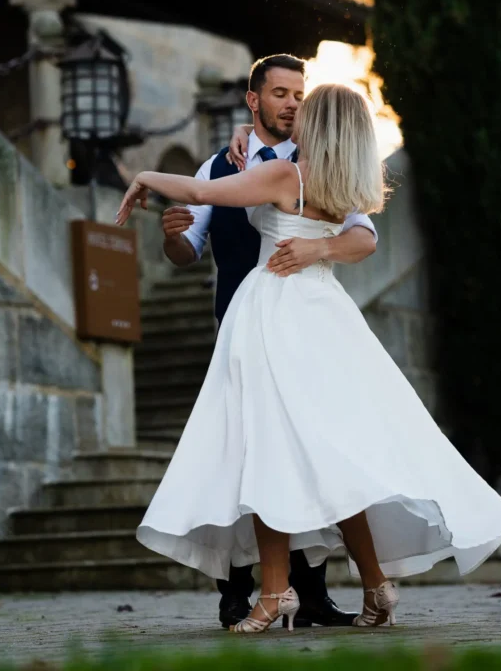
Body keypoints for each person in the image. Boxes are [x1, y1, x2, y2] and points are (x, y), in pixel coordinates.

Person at [117, 82, 501, 634]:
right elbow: (360, 237)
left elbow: (200, 189)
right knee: (328, 458)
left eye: (304, 108)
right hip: (325, 315)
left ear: (322, 124)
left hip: (275, 313)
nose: (295, 113)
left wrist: (143, 176)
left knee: (264, 445)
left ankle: (274, 593)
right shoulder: (341, 183)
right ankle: (375, 587)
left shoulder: (286, 176)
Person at [159, 55, 378, 630]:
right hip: (239, 323)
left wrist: (318, 249)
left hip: (295, 324)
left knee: (289, 449)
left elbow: (364, 232)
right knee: (241, 450)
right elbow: (188, 252)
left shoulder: (316, 161)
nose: (291, 104)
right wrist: (174, 238)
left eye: (300, 96)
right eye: (280, 93)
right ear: (253, 100)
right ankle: (240, 591)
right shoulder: (220, 163)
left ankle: (305, 593)